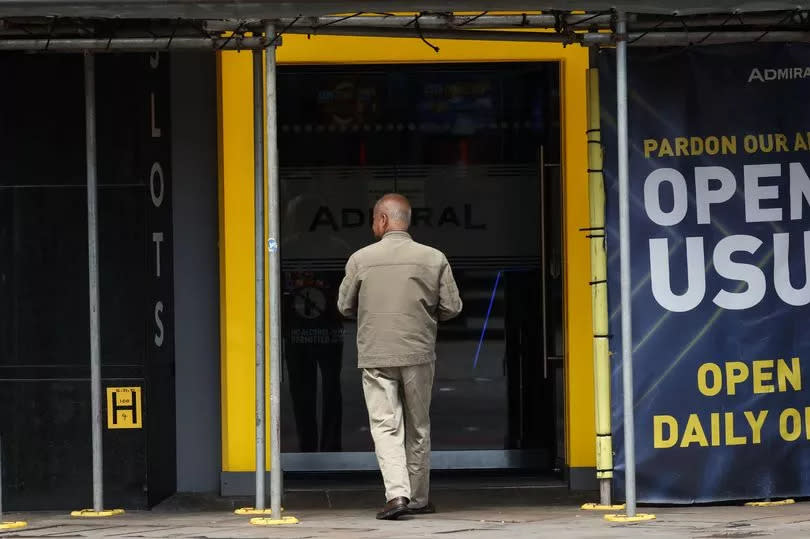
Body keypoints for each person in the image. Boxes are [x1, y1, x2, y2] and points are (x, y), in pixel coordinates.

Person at [337, 193, 463, 520]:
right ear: (406, 221)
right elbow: (452, 308)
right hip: (418, 351)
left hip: (376, 353)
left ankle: (397, 495)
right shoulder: (434, 258)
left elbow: (343, 306)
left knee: (385, 425)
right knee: (418, 425)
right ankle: (419, 498)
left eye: (373, 219)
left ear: (382, 220)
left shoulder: (360, 259)